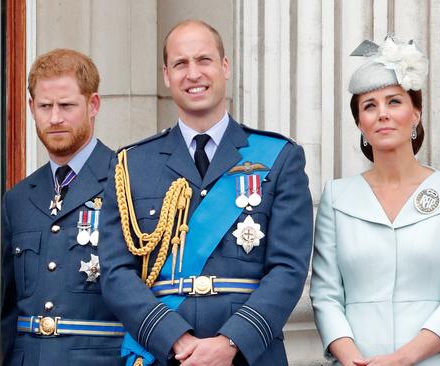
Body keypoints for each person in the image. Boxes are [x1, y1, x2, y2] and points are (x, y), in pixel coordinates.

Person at [99, 20, 313, 365]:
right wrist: (175, 340)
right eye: (181, 64)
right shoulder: (131, 164)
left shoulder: (279, 157)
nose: (193, 73)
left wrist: (230, 343)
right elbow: (115, 272)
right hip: (165, 354)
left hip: (247, 354)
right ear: (166, 75)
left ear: (225, 67)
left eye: (204, 60)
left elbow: (288, 268)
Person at [310, 36, 440, 366]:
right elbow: (326, 295)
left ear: (416, 114)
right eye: (370, 106)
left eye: (394, 102)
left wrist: (402, 359)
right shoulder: (337, 197)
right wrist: (354, 360)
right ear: (360, 124)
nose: (382, 114)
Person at [0, 49, 125, 366]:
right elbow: (9, 312)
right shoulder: (17, 199)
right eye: (45, 106)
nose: (55, 118)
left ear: (93, 105)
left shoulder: (127, 182)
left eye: (66, 105)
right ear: (31, 108)